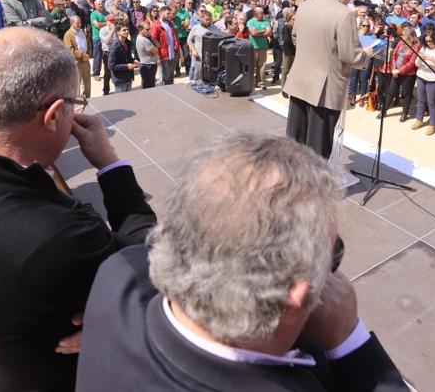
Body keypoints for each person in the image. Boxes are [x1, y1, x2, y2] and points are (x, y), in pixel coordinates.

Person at [0, 26, 157, 391]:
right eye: (74, 106)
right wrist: (110, 163)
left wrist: (105, 312)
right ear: (54, 114)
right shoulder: (58, 237)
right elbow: (146, 264)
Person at [75, 133, 406, 391]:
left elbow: (137, 248)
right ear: (294, 299)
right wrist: (350, 341)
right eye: (330, 258)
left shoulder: (118, 278)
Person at [283, 0, 368, 159]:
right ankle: (314, 186)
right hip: (325, 88)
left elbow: (296, 37)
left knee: (295, 141)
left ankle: (292, 181)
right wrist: (366, 55)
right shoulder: (344, 15)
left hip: (300, 82)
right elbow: (350, 55)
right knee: (318, 147)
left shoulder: (305, 6)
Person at [410, 26, 435, 135]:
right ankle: (419, 119)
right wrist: (421, 60)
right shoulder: (424, 48)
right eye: (426, 41)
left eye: (431, 41)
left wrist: (431, 59)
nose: (429, 43)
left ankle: (432, 124)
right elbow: (416, 64)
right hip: (421, 76)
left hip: (434, 79)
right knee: (421, 100)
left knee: (432, 103)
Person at [381, 26, 417, 122]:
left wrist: (399, 71)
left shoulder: (416, 46)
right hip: (396, 71)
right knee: (391, 91)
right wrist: (393, 69)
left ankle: (405, 113)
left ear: (409, 36)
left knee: (406, 94)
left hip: (408, 74)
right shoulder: (401, 43)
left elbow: (411, 63)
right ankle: (384, 110)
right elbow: (394, 56)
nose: (402, 36)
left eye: (403, 34)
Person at [62, 15, 92, 99]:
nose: (80, 24)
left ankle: (87, 97)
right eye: (77, 23)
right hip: (76, 62)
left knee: (87, 81)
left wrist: (88, 54)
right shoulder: (68, 35)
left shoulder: (82, 32)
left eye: (80, 22)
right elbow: (70, 49)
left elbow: (88, 43)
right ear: (71, 23)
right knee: (77, 82)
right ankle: (77, 100)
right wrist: (82, 55)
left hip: (85, 60)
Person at [150, 6, 180, 85]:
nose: (169, 15)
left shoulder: (169, 23)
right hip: (164, 55)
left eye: (170, 13)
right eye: (168, 13)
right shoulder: (156, 25)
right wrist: (159, 47)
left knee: (170, 76)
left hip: (173, 54)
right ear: (161, 13)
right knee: (165, 77)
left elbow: (173, 35)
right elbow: (153, 38)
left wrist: (176, 46)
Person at [246, 6, 272, 89]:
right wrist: (264, 31)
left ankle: (260, 82)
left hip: (263, 47)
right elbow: (253, 33)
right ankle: (250, 82)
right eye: (261, 13)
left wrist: (258, 32)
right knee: (252, 65)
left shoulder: (265, 21)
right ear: (256, 14)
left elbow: (269, 32)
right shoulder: (250, 22)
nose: (263, 14)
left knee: (262, 65)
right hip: (253, 47)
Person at [186, 7, 213, 82]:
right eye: (206, 19)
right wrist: (193, 50)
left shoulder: (214, 28)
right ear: (201, 19)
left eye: (209, 20)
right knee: (198, 73)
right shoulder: (196, 28)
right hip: (199, 55)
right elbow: (189, 40)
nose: (208, 21)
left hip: (209, 56)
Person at [109, 25, 138, 93]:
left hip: (128, 77)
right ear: (118, 32)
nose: (127, 31)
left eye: (127, 29)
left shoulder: (128, 43)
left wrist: (133, 61)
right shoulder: (114, 47)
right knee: (121, 101)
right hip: (120, 79)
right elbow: (111, 66)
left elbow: (127, 57)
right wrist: (127, 66)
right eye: (124, 30)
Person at [135, 20, 159, 89]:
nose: (149, 31)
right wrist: (151, 38)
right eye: (147, 29)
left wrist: (150, 37)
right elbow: (157, 50)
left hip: (145, 64)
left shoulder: (139, 37)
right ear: (140, 30)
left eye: (150, 29)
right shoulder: (145, 40)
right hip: (149, 66)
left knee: (146, 86)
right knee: (149, 87)